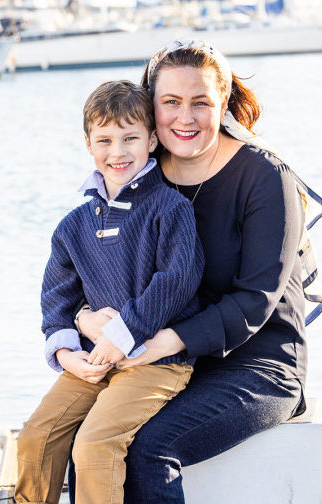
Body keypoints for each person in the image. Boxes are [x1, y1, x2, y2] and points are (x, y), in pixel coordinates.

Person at [71, 40, 322, 503]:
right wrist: (85, 319)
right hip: (165, 363)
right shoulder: (140, 173)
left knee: (151, 445)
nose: (184, 118)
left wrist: (164, 343)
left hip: (258, 365)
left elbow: (256, 302)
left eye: (201, 103)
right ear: (150, 106)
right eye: (170, 102)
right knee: (80, 438)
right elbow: (93, 266)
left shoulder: (265, 178)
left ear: (223, 103)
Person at [14, 80, 206, 504]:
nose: (116, 152)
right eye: (104, 140)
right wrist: (66, 355)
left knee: (94, 445)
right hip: (93, 361)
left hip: (155, 361)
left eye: (129, 138)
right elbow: (57, 300)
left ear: (152, 140)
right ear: (88, 144)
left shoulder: (171, 209)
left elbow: (177, 281)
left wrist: (122, 335)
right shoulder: (74, 225)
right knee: (35, 437)